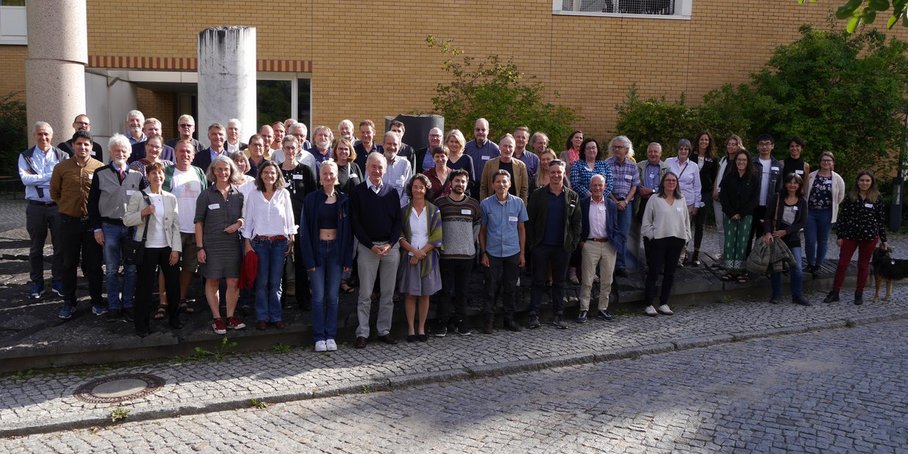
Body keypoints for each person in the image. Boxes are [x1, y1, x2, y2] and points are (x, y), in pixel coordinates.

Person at [88, 133, 146, 321]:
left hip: (131, 228)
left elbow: (145, 202)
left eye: (123, 150)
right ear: (110, 152)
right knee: (111, 269)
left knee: (131, 269)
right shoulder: (100, 173)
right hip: (109, 227)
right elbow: (92, 203)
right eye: (116, 150)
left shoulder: (137, 176)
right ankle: (113, 305)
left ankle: (128, 304)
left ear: (129, 153)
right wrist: (97, 228)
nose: (120, 153)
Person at [50, 131, 105, 319]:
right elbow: (55, 193)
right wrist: (66, 207)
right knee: (68, 264)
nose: (83, 147)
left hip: (92, 224)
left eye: (86, 144)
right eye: (79, 144)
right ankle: (69, 302)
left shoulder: (99, 168)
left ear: (91, 147)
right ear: (73, 145)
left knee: (94, 265)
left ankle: (96, 301)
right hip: (69, 222)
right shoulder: (61, 167)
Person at [350, 153, 403, 348]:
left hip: (390, 248)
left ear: (385, 169)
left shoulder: (392, 192)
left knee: (388, 294)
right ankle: (362, 333)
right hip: (367, 248)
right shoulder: (358, 192)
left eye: (380, 167)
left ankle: (384, 330)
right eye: (373, 166)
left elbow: (398, 221)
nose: (377, 170)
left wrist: (390, 244)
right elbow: (355, 223)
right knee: (365, 294)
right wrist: (371, 245)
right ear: (366, 167)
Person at [124, 162, 182, 336]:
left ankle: (174, 319)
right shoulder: (139, 196)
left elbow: (175, 226)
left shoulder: (170, 197)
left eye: (160, 173)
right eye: (154, 173)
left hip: (167, 247)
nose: (158, 176)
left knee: (173, 285)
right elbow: (127, 220)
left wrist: (176, 249)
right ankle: (142, 325)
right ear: (148, 177)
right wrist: (143, 212)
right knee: (145, 288)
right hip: (147, 248)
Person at [301, 160, 353, 352]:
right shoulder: (311, 199)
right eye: (325, 174)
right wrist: (308, 259)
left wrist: (347, 258)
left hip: (336, 251)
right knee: (318, 296)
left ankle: (330, 335)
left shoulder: (344, 200)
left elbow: (349, 232)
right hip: (318, 250)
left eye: (331, 173)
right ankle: (318, 337)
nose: (328, 177)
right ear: (320, 177)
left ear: (336, 177)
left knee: (332, 296)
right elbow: (304, 232)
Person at [526, 160, 581, 329]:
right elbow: (530, 221)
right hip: (541, 246)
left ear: (564, 174)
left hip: (562, 247)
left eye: (559, 172)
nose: (556, 175)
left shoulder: (572, 196)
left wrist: (572, 243)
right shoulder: (538, 195)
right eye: (553, 172)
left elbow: (577, 223)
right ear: (548, 173)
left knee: (559, 282)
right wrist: (533, 244)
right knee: (538, 281)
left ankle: (559, 315)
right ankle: (533, 315)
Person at [195, 156, 246, 334]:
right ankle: (217, 318)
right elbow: (199, 222)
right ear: (213, 171)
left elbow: (245, 217)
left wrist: (239, 223)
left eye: (226, 169)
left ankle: (230, 316)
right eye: (219, 169)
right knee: (213, 280)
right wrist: (200, 247)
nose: (223, 172)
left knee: (233, 281)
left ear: (231, 171)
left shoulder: (239, 195)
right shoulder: (205, 195)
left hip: (232, 245)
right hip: (211, 245)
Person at [242, 161, 296, 331]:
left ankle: (276, 316)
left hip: (280, 243)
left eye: (272, 172)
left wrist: (291, 238)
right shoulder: (253, 195)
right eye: (266, 172)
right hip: (260, 243)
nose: (269, 175)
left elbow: (290, 218)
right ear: (260, 175)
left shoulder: (283, 194)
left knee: (276, 282)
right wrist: (247, 243)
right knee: (262, 282)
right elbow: (248, 220)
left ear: (277, 175)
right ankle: (262, 317)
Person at [824, 171, 888, 305]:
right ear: (857, 182)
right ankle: (835, 292)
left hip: (869, 236)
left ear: (872, 182)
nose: (864, 183)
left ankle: (859, 293)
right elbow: (843, 218)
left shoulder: (877, 198)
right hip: (850, 235)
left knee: (863, 266)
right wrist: (840, 236)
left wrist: (884, 240)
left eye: (867, 180)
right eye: (862, 180)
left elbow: (880, 220)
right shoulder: (850, 197)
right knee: (842, 264)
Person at [19, 121, 66, 299]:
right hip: (36, 207)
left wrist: (38, 177)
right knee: (35, 248)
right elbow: (25, 179)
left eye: (46, 134)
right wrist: (51, 176)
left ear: (51, 136)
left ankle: (58, 281)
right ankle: (37, 283)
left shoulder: (62, 155)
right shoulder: (26, 156)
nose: (43, 137)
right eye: (39, 134)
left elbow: (63, 179)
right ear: (34, 135)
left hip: (57, 206)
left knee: (60, 247)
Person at [479, 170, 527, 334]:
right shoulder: (485, 204)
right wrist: (484, 253)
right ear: (493, 185)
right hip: (492, 253)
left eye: (504, 181)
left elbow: (521, 229)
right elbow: (482, 231)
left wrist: (522, 253)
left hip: (512, 251)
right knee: (490, 288)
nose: (501, 185)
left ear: (510, 184)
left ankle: (509, 320)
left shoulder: (518, 203)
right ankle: (488, 322)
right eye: (498, 182)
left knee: (510, 287)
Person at [163, 140, 207, 315]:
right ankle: (164, 302)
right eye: (181, 151)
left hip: (195, 229)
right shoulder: (168, 172)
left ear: (194, 155)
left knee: (189, 267)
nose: (185, 154)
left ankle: (180, 299)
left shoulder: (199, 173)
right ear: (175, 153)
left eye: (188, 151)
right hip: (174, 229)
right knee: (167, 267)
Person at [434, 169, 481, 337]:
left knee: (463, 291)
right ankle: (442, 323)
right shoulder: (440, 203)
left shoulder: (473, 204)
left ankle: (461, 322)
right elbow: (434, 226)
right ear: (450, 183)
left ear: (466, 184)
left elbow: (477, 225)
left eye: (463, 181)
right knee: (445, 291)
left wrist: (468, 241)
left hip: (466, 255)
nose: (460, 184)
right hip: (446, 255)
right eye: (457, 181)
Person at [398, 174, 443, 343]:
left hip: (428, 258)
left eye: (421, 187)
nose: (418, 190)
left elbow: (437, 235)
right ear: (411, 189)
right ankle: (411, 329)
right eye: (415, 187)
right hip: (409, 257)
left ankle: (422, 328)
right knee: (411, 294)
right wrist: (413, 252)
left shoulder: (434, 210)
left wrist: (421, 253)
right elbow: (400, 235)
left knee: (425, 294)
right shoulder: (404, 211)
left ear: (426, 189)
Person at [641, 172, 691, 316]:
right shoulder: (654, 199)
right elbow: (646, 221)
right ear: (663, 182)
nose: (671, 182)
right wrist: (653, 236)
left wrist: (686, 236)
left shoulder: (681, 199)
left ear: (677, 183)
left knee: (670, 273)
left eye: (674, 180)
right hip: (659, 240)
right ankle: (649, 304)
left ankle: (664, 303)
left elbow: (686, 221)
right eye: (668, 180)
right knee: (654, 271)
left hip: (676, 240)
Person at [278, 135, 318, 309]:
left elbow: (313, 197)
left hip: (302, 222)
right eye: (287, 147)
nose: (290, 151)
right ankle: (280, 300)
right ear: (282, 149)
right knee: (281, 262)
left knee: (301, 261)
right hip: (280, 224)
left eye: (293, 147)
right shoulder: (277, 171)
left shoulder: (306, 170)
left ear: (298, 149)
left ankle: (303, 298)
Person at [577, 174, 619, 323]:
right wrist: (581, 242)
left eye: (600, 185)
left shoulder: (611, 204)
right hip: (590, 244)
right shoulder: (583, 203)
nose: (597, 188)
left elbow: (615, 225)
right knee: (587, 280)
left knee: (607, 279)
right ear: (590, 186)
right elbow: (578, 223)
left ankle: (603, 308)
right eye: (594, 185)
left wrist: (616, 242)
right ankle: (584, 309)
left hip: (608, 244)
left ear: (605, 187)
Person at [763, 174, 809, 306]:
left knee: (797, 267)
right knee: (776, 267)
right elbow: (767, 217)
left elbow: (802, 222)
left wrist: (786, 231)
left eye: (795, 183)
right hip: (776, 238)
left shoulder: (802, 201)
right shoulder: (777, 197)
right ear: (785, 184)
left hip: (793, 238)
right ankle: (776, 294)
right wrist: (768, 233)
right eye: (790, 182)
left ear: (799, 185)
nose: (792, 185)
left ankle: (797, 295)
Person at [719, 150, 760, 283]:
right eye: (739, 160)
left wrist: (741, 213)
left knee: (742, 242)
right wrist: (731, 213)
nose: (741, 162)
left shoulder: (753, 178)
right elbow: (723, 196)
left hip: (746, 215)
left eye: (744, 160)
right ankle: (729, 270)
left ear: (748, 162)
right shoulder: (728, 176)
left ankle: (740, 271)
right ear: (735, 161)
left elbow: (754, 199)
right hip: (729, 214)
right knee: (730, 242)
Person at [804, 151, 846, 274]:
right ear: (820, 162)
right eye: (824, 160)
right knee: (810, 240)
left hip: (826, 213)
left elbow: (840, 196)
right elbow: (805, 192)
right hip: (810, 212)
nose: (826, 162)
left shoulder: (837, 178)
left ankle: (818, 265)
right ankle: (810, 263)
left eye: (829, 160)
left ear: (833, 162)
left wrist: (832, 206)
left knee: (823, 240)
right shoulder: (811, 176)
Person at [605, 136, 640, 276]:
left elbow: (635, 186)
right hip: (610, 202)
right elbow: (604, 185)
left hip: (626, 204)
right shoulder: (606, 164)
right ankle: (608, 265)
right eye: (614, 147)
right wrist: (615, 201)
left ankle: (620, 265)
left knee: (623, 234)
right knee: (609, 233)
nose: (616, 149)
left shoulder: (632, 166)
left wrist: (625, 201)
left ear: (626, 150)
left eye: (619, 147)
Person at [665, 139, 702, 266]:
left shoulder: (694, 166)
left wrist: (697, 205)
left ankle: (680, 257)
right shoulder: (668, 162)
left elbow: (697, 186)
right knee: (669, 228)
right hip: (670, 200)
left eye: (686, 149)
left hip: (687, 203)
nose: (683, 151)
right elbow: (663, 179)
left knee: (684, 230)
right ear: (677, 150)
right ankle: (668, 255)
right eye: (681, 148)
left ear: (689, 151)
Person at [633, 142, 669, 269]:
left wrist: (652, 191)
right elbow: (635, 183)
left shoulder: (666, 168)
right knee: (647, 233)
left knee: (660, 233)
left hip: (660, 203)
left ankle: (660, 262)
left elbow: (668, 187)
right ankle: (650, 263)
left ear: (660, 153)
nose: (653, 154)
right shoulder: (639, 166)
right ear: (647, 153)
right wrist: (640, 190)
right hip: (643, 203)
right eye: (650, 151)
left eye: (655, 152)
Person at [748, 134, 783, 257]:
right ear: (757, 146)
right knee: (747, 236)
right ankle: (745, 262)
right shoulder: (751, 163)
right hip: (752, 206)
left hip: (768, 208)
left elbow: (779, 188)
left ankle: (758, 263)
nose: (764, 147)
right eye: (762, 144)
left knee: (762, 238)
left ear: (772, 146)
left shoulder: (778, 165)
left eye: (767, 144)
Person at [690, 131, 717, 266]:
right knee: (687, 223)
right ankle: (682, 253)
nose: (704, 142)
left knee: (700, 224)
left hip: (705, 193)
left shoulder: (712, 158)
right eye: (702, 139)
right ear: (698, 140)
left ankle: (696, 254)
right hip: (690, 193)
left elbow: (714, 177)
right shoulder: (691, 156)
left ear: (709, 142)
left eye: (706, 140)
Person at [479, 134, 529, 203]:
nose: (507, 149)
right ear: (499, 147)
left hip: (514, 206)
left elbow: (524, 190)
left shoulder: (521, 166)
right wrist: (484, 205)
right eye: (505, 146)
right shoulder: (489, 164)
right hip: (492, 205)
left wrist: (522, 206)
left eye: (510, 146)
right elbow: (483, 187)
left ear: (514, 148)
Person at [713, 135, 746, 238]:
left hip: (730, 199)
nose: (730, 146)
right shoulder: (724, 159)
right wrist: (714, 190)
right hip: (718, 197)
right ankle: (722, 248)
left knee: (730, 226)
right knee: (720, 226)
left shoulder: (740, 162)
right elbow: (718, 175)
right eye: (729, 144)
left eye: (733, 144)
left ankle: (730, 248)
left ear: (738, 146)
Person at [464, 118, 500, 195]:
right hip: (469, 188)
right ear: (474, 131)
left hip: (488, 189)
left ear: (488, 131)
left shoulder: (495, 149)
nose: (480, 132)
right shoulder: (466, 147)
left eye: (483, 130)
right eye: (477, 129)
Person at [381, 131, 413, 207]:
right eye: (389, 144)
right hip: (378, 208)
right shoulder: (374, 162)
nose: (392, 147)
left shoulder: (405, 164)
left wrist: (397, 207)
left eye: (395, 144)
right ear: (383, 145)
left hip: (399, 209)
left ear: (399, 146)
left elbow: (407, 192)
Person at [444, 129, 474, 194]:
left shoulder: (467, 159)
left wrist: (458, 189)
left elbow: (472, 181)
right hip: (445, 195)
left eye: (457, 142)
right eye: (451, 141)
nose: (454, 144)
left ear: (461, 144)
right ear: (447, 142)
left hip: (462, 195)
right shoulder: (443, 158)